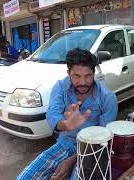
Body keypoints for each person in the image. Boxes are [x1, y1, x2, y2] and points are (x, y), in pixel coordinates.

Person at [17, 48, 118, 180]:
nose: (82, 82)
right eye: (76, 76)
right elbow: (53, 113)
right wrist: (65, 125)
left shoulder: (107, 98)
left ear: (94, 73)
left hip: (91, 151)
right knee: (24, 178)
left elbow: (103, 140)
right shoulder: (60, 87)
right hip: (64, 144)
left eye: (88, 76)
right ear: (68, 73)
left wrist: (71, 161)